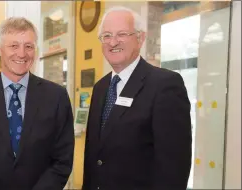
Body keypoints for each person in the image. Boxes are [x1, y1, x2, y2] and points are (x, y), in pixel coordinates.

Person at [0, 17, 75, 190]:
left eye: (28, 46)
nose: (22, 53)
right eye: (13, 46)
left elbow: (63, 159)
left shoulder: (56, 96)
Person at [82, 6, 192, 190]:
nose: (113, 42)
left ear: (140, 38)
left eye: (122, 34)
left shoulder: (165, 85)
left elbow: (174, 165)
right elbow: (94, 154)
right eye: (106, 36)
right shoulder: (100, 88)